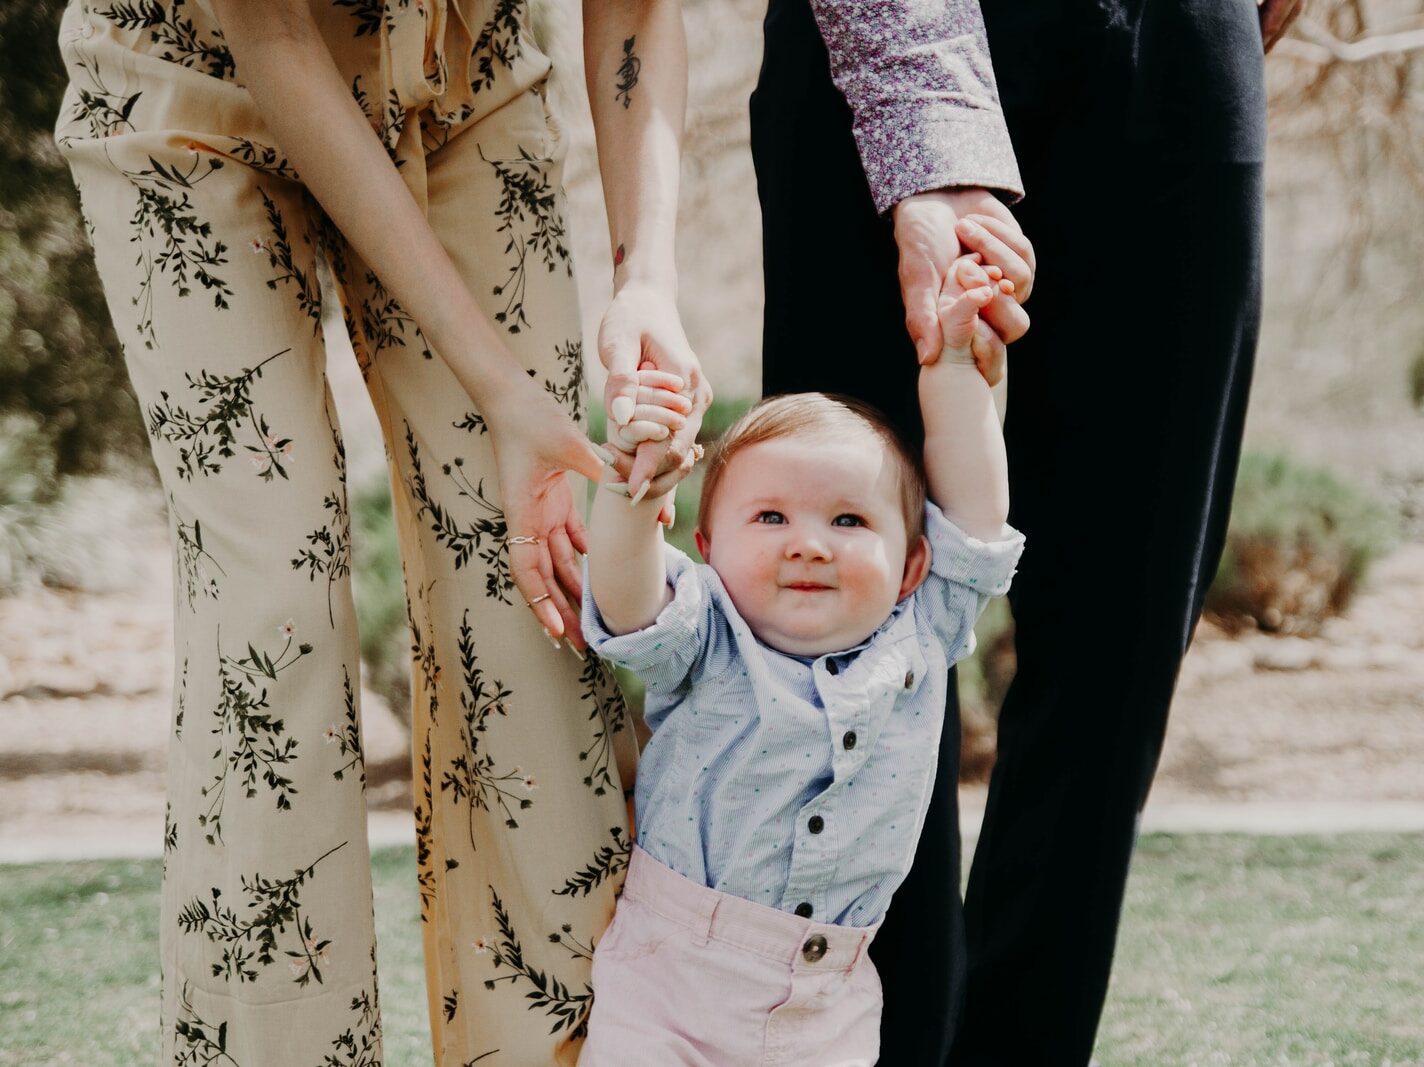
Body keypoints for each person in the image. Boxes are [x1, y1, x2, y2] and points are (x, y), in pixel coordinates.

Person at [53, 0, 705, 1062]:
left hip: (464, 84)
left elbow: (635, 11)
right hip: (191, 81)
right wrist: (500, 390)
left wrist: (648, 283)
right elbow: (275, 45)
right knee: (274, 607)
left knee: (527, 585)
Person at [752, 0, 1294, 1061]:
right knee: (853, 632)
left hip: (1174, 45)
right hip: (874, 37)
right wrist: (924, 134)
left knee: (1118, 647)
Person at [576, 258, 1025, 1065]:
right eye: (772, 515)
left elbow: (979, 520)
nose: (809, 543)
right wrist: (633, 491)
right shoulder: (709, 631)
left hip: (827, 1002)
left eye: (849, 519)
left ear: (914, 565)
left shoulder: (920, 632)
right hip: (669, 982)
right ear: (708, 550)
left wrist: (954, 365)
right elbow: (622, 598)